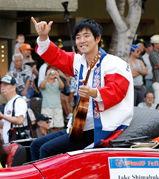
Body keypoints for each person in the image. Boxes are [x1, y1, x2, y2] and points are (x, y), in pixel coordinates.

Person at [30, 17, 133, 160]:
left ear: (97, 38)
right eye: (78, 37)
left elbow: (117, 91)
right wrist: (43, 36)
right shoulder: (79, 61)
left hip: (100, 129)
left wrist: (93, 92)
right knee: (36, 145)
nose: (81, 41)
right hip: (78, 126)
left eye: (86, 36)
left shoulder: (114, 63)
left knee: (46, 150)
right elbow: (56, 55)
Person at [0, 75, 28, 144]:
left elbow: (20, 120)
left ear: (14, 87)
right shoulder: (8, 103)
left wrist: (2, 116)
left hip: (17, 142)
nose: (2, 88)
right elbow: (6, 124)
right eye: (1, 86)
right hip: (9, 142)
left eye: (5, 86)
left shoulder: (18, 100)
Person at [39, 65, 65, 131]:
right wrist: (47, 77)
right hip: (46, 107)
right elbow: (41, 87)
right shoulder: (43, 81)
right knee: (47, 127)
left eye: (53, 71)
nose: (51, 73)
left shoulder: (58, 82)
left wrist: (58, 77)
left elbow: (62, 87)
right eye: (50, 71)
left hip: (57, 107)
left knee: (58, 127)